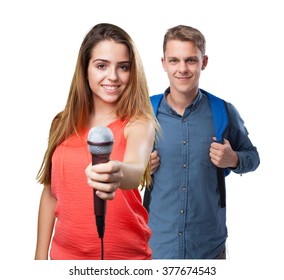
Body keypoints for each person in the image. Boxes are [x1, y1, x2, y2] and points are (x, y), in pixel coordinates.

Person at [34, 23, 157, 260]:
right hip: (64, 259)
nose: (113, 76)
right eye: (102, 65)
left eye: (123, 67)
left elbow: (134, 169)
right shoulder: (61, 123)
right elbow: (50, 192)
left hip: (124, 260)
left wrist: (118, 172)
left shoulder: (139, 123)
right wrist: (40, 258)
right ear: (85, 68)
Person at [147, 25, 260, 259]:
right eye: (174, 60)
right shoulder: (144, 113)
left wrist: (235, 159)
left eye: (191, 60)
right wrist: (137, 169)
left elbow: (254, 158)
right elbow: (116, 165)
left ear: (204, 62)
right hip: (155, 247)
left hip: (209, 250)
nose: (182, 69)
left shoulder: (224, 111)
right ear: (164, 63)